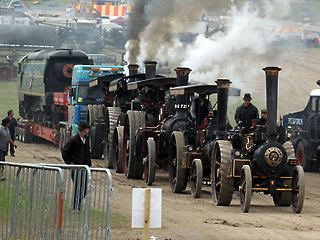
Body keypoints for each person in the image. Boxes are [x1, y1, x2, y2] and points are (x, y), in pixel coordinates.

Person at [61, 121, 92, 210]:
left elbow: (87, 153)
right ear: (84, 130)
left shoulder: (86, 139)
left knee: (85, 187)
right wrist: (70, 163)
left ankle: (78, 202)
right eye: (87, 129)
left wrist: (89, 165)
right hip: (76, 168)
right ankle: (75, 206)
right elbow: (64, 151)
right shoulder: (73, 139)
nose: (88, 130)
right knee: (77, 187)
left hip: (84, 168)